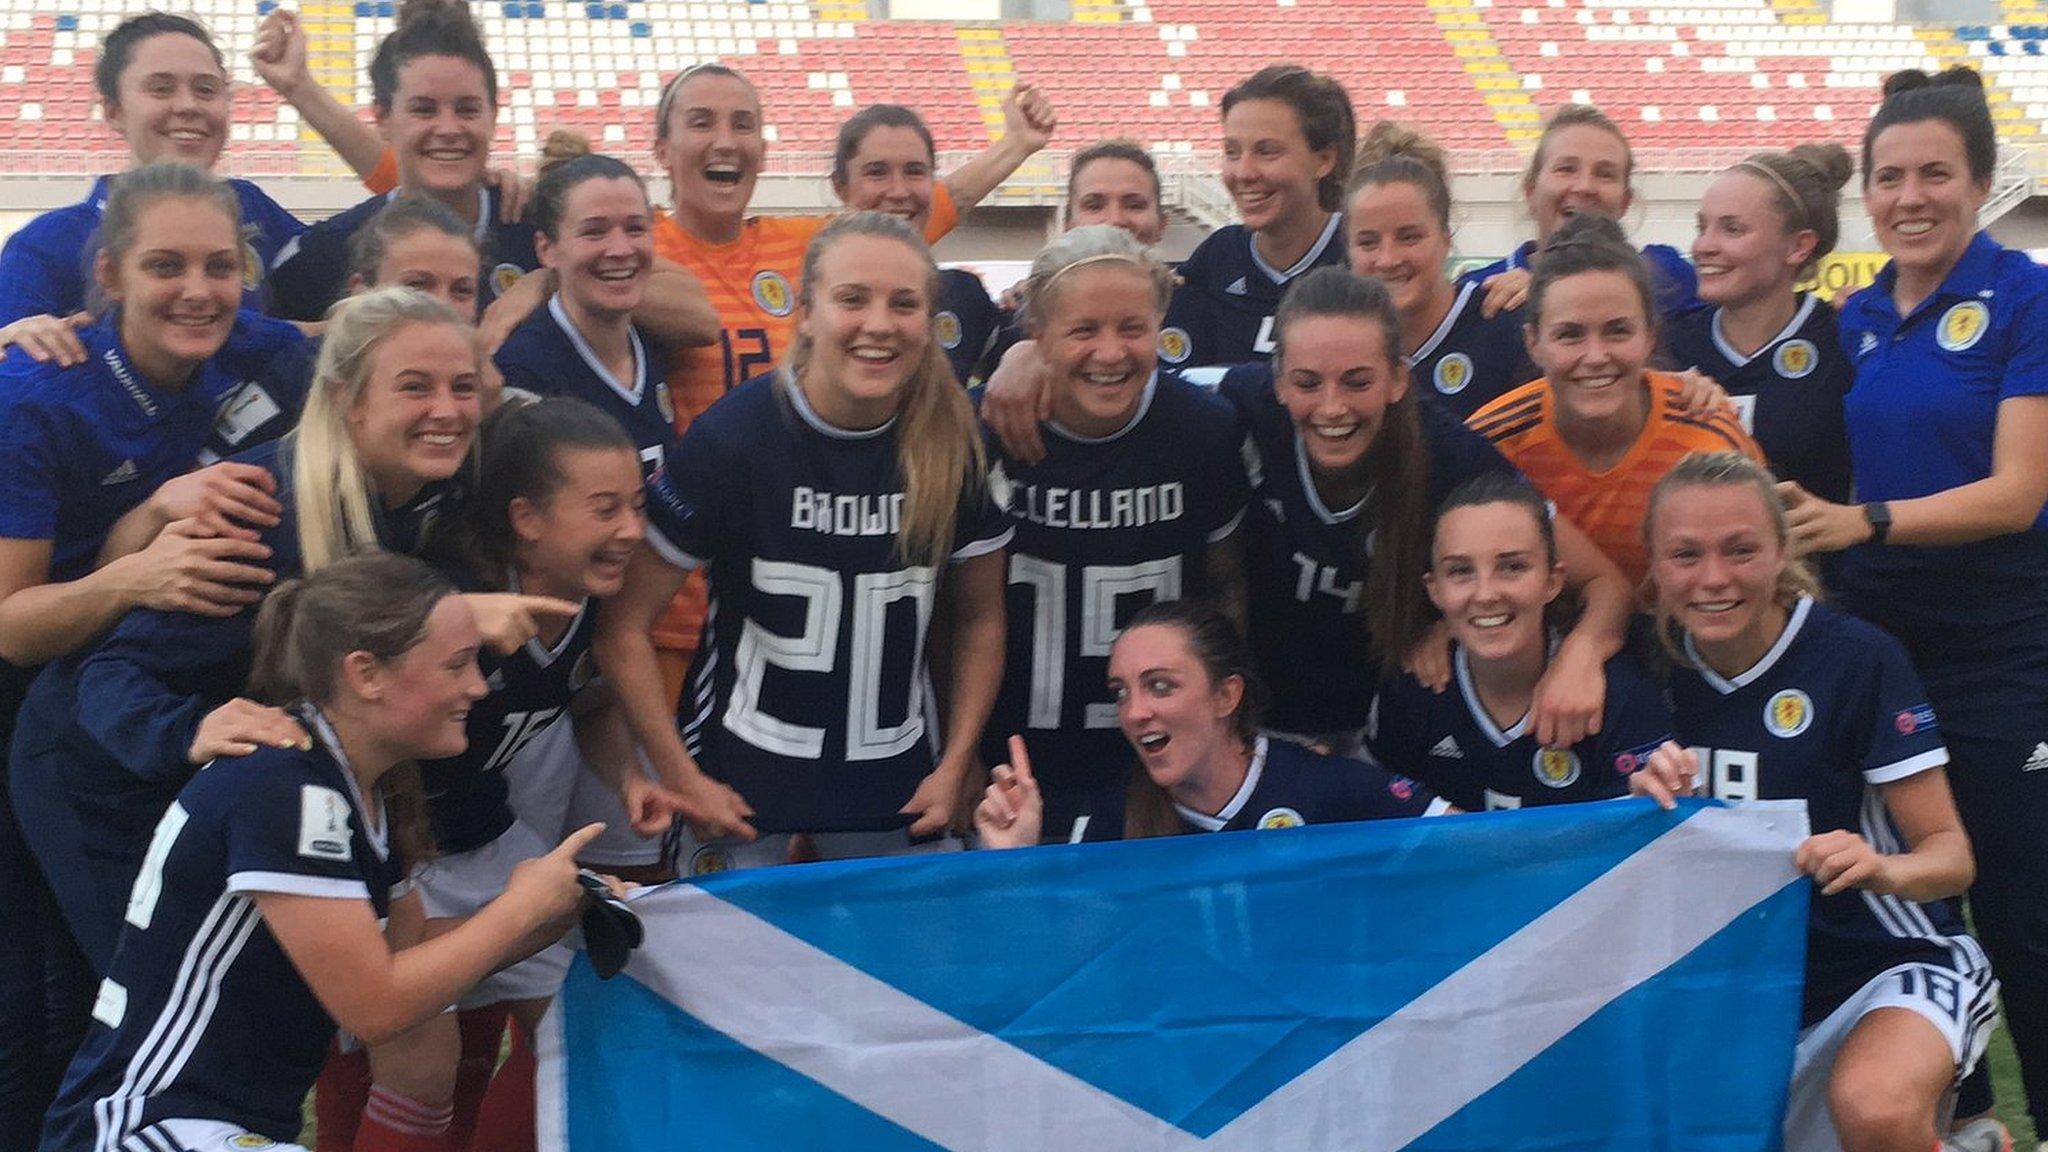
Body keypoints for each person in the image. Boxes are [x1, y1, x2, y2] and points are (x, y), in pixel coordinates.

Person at [37, 552, 604, 1152]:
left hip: (208, 1126)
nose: (476, 686)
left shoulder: (354, 786)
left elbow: (411, 956)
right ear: (365, 674)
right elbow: (377, 1004)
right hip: (149, 1126)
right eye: (457, 664)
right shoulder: (289, 788)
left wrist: (560, 909)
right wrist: (518, 910)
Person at [1777, 66, 2048, 1142]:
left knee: (2022, 917)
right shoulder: (1855, 317)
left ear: (1979, 183)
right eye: (1887, 177)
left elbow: (2019, 492)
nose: (1908, 197)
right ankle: (1964, 1115)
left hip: (1999, 652)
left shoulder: (2023, 296)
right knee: (1904, 909)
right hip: (1883, 648)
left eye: (1933, 173)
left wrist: (1865, 521)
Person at [0, 161, 284, 1152]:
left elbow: (362, 343)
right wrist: (138, 560)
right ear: (110, 273)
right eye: (165, 266)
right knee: (46, 1000)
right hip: (30, 706)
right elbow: (8, 621)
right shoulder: (39, 389)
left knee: (134, 992)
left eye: (221, 265)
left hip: (131, 717)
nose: (198, 289)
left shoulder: (240, 341)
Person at [595, 212, 1010, 872]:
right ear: (807, 311)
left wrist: (958, 759)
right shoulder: (736, 437)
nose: (878, 323)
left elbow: (982, 617)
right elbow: (622, 627)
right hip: (742, 783)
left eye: (904, 304)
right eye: (853, 299)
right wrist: (680, 772)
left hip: (899, 786)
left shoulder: (952, 441)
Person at [642, 63, 1052, 712]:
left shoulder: (805, 245)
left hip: (798, 581)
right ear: (661, 148)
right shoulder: (635, 252)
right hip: (677, 596)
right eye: (702, 122)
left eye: (743, 124)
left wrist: (1015, 148)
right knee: (676, 802)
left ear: (763, 148)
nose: (726, 139)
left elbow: (922, 212)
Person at [1633, 451, 1997, 1152]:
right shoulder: (1641, 672)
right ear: (1652, 567)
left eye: (1741, 551)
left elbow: (1951, 859)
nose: (1714, 578)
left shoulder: (1857, 659)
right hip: (1738, 990)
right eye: (1686, 555)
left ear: (1781, 552)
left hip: (1890, 962)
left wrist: (1880, 866)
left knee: (1876, 1111)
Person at [374, 398, 661, 1152]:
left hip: (485, 833)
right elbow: (354, 724)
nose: (632, 529)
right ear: (527, 519)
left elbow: (591, 704)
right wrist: (396, 885)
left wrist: (629, 780)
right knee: (420, 1068)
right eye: (605, 509)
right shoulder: (442, 601)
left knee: (585, 1036)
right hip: (400, 852)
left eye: (637, 504)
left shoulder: (588, 598)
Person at [1219, 268, 1633, 753]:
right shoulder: (1240, 405)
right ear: (1278, 383)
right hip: (1249, 730)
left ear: (1398, 378)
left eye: (1357, 382)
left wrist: (1579, 657)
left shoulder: (1450, 456)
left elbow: (1608, 584)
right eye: (1307, 383)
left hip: (1384, 736)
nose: (1332, 407)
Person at [982, 226, 1249, 843]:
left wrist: (1227, 732)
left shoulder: (1202, 430)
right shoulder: (988, 430)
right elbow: (960, 615)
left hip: (1158, 765)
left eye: (1133, 328)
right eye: (1083, 330)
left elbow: (1227, 589)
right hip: (1016, 765)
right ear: (1036, 336)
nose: (1110, 353)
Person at [975, 599, 1449, 848]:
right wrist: (1016, 860)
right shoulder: (1109, 822)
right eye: (1121, 692)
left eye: (1160, 686)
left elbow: (1487, 854)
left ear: (1226, 696)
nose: (1136, 712)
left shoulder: (1327, 789)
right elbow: (1061, 969)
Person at [1467, 213, 1763, 586]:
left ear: (1650, 336)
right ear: (1533, 344)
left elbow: (1766, 576)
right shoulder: (1490, 444)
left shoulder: (1711, 436)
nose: (1595, 356)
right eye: (1570, 335)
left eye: (1618, 331)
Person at [1367, 474, 1669, 812]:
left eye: (1512, 567)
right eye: (1460, 572)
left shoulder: (1620, 695)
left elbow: (1639, 846)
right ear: (1434, 589)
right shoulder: (1411, 690)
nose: (1486, 594)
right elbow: (1382, 826)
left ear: (1553, 581)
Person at [0, 14, 303, 339]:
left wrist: (301, 90)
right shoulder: (46, 244)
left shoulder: (254, 208)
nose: (188, 105)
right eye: (161, 89)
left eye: (206, 89)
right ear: (113, 111)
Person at [267, 0, 540, 321]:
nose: (449, 129)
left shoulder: (542, 232)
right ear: (382, 118)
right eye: (424, 109)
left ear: (494, 115)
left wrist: (544, 282)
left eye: (467, 109)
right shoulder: (325, 255)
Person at [1666, 145, 1856, 506]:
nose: (1703, 245)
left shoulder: (1843, 341)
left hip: (1818, 561)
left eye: (1732, 229)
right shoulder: (1670, 345)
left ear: (1799, 247)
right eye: (1701, 227)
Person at [1158, 63, 1354, 371]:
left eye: (1267, 152)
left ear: (1325, 160)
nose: (1244, 173)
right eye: (1232, 152)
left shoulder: (1363, 257)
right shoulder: (1215, 260)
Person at [1346, 121, 1536, 420]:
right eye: (1368, 242)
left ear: (1446, 239)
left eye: (1409, 237)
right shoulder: (1339, 346)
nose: (1388, 259)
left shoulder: (1506, 326)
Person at [1459, 103, 1700, 322]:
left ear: (1625, 202)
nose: (1585, 186)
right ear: (1530, 191)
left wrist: (1552, 290)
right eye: (1566, 169)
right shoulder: (1479, 292)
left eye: (1605, 174)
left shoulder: (1669, 278)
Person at [828, 104, 1003, 387]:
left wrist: (1023, 356)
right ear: (840, 187)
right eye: (876, 172)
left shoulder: (964, 295)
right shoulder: (812, 295)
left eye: (914, 171)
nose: (899, 191)